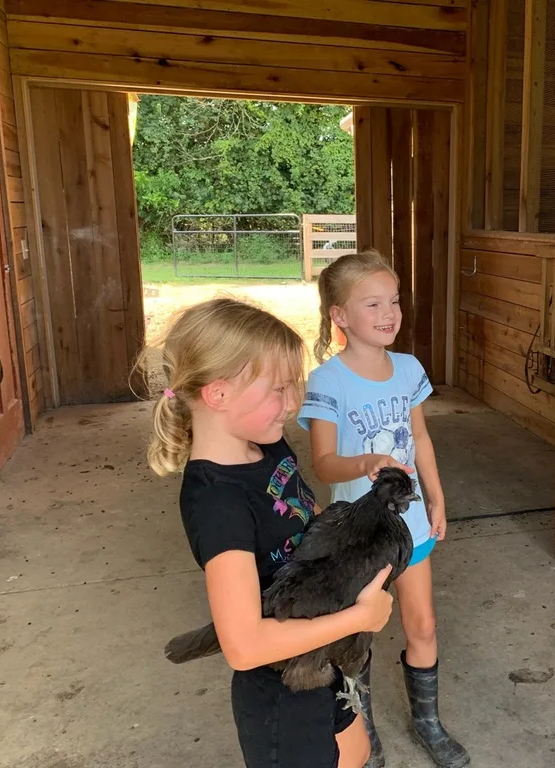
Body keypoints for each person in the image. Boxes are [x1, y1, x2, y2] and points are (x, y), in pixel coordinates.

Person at [144, 297, 394, 768]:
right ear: (218, 394)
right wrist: (358, 619)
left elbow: (308, 514)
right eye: (279, 389)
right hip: (282, 688)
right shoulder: (219, 501)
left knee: (357, 751)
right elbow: (244, 646)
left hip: (318, 655)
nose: (293, 403)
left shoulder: (268, 446)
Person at [298, 251, 469, 768]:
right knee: (357, 634)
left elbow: (420, 439)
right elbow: (324, 465)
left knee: (423, 626)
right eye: (372, 303)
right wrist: (367, 461)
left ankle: (428, 722)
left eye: (393, 301)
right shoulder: (328, 381)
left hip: (410, 527)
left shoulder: (410, 369)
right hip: (357, 538)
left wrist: (436, 497)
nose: (388, 313)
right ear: (340, 316)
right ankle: (362, 729)